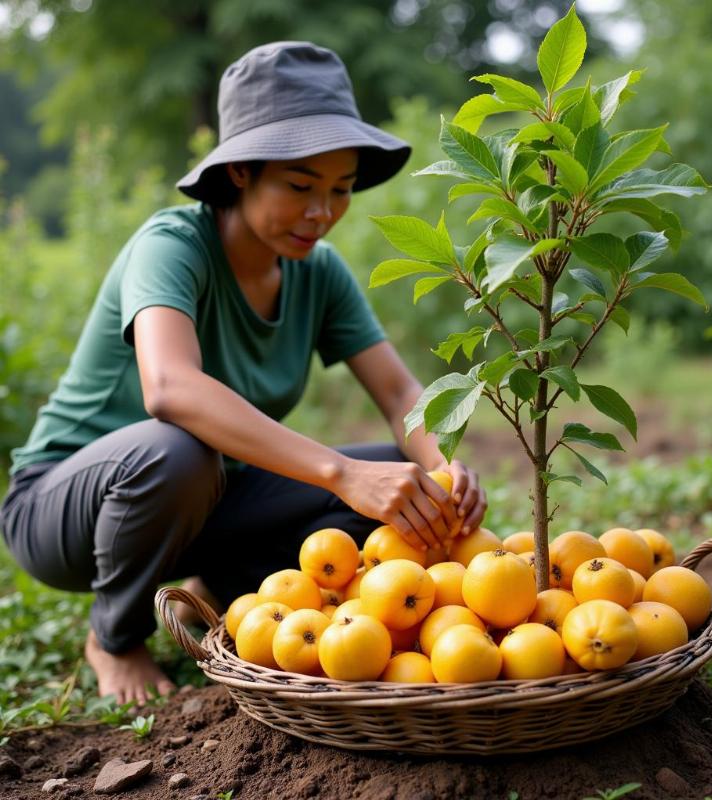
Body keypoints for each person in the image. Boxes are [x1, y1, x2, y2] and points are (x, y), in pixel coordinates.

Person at [0, 42, 486, 706]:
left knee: (396, 477)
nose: (322, 213)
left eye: (340, 190)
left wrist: (442, 471)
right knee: (181, 449)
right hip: (66, 512)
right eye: (300, 187)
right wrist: (341, 473)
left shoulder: (319, 273)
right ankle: (114, 637)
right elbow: (168, 388)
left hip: (207, 500)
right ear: (240, 175)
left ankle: (218, 589)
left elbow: (401, 391)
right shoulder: (172, 247)